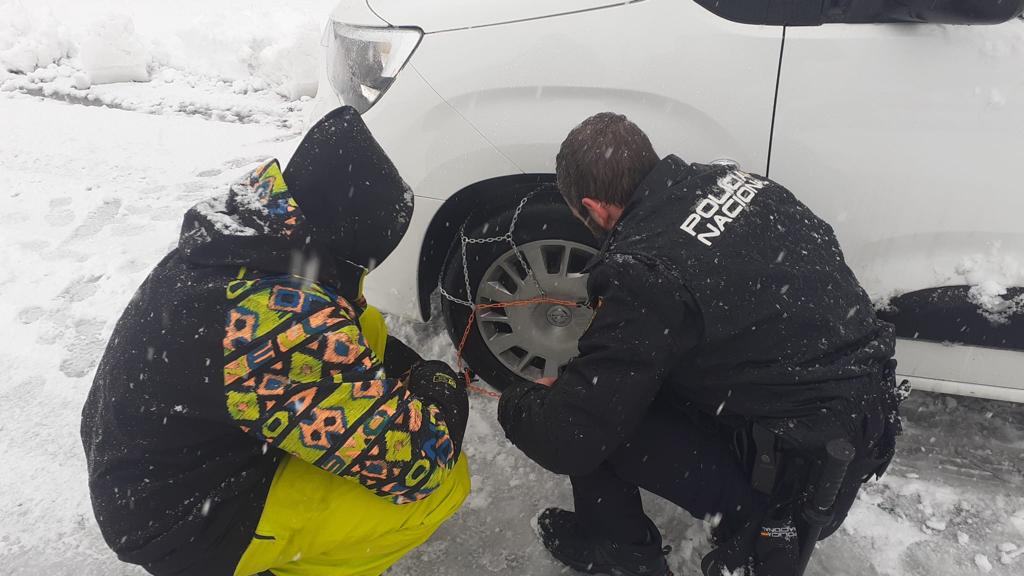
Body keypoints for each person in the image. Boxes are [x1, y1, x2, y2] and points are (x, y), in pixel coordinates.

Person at [497, 112, 903, 576]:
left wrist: (522, 402)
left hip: (793, 489)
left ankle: (622, 553)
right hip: (855, 430)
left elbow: (571, 439)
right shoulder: (743, 184)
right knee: (618, 384)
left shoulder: (645, 275)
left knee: (587, 412)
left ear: (594, 208)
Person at [81, 106, 470, 576]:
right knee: (442, 488)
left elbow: (340, 325)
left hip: (158, 463)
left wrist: (396, 369)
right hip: (182, 523)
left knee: (356, 317)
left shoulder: (248, 242)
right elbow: (416, 464)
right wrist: (440, 388)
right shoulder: (278, 323)